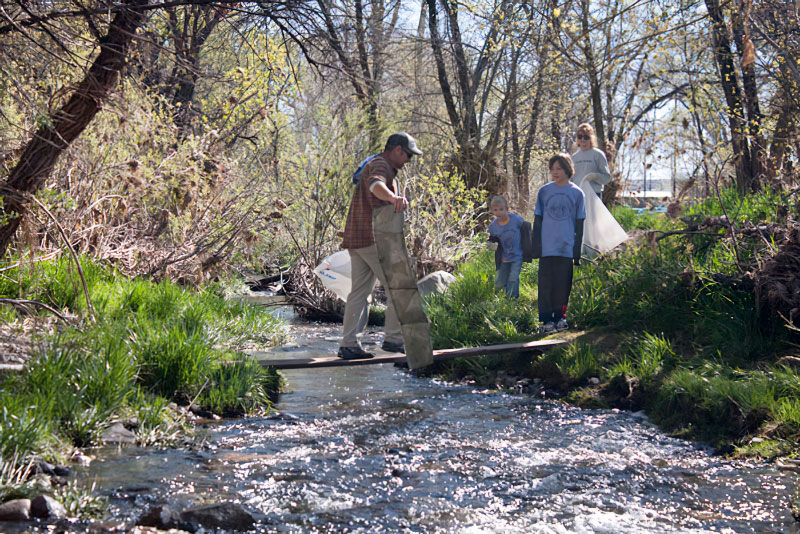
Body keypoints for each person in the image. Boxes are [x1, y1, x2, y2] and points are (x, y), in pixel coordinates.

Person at [337, 132, 423, 360]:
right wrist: (393, 199)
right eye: (408, 155)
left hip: (358, 239)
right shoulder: (381, 165)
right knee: (400, 288)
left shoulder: (381, 164)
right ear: (397, 150)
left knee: (359, 293)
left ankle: (348, 345)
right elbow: (375, 185)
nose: (409, 161)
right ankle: (393, 340)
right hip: (374, 239)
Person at [533, 153, 586, 333]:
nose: (554, 172)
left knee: (563, 285)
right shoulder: (544, 191)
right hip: (547, 247)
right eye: (552, 169)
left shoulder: (577, 193)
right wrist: (535, 246)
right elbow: (538, 220)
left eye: (559, 168)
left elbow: (580, 224)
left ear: (567, 169)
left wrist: (576, 252)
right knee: (546, 284)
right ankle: (546, 320)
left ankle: (560, 317)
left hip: (566, 247)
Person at [488, 196, 525, 299]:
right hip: (503, 258)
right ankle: (500, 299)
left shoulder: (516, 220)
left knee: (513, 278)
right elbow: (492, 241)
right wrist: (491, 244)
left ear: (507, 209)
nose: (499, 212)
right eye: (495, 210)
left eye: (501, 209)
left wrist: (528, 248)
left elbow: (526, 230)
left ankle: (512, 301)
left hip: (517, 256)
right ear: (492, 210)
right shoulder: (493, 226)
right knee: (500, 281)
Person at [571, 123, 611, 197]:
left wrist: (594, 176)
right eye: (580, 137)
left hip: (594, 194)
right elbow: (570, 179)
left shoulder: (598, 154)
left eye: (586, 137)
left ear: (591, 138)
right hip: (577, 195)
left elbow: (607, 178)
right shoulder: (574, 157)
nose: (582, 139)